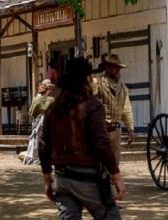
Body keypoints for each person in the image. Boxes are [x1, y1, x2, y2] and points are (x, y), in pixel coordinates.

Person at [38, 57, 125, 219]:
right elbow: (101, 144)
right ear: (87, 79)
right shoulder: (92, 106)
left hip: (62, 179)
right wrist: (117, 175)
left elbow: (43, 144)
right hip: (88, 178)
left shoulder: (53, 109)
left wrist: (47, 178)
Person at [93, 54, 134, 163]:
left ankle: (112, 180)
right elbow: (87, 103)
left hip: (116, 131)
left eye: (119, 68)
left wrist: (130, 129)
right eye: (115, 67)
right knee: (100, 163)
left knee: (114, 164)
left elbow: (126, 109)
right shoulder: (97, 83)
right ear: (107, 68)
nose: (118, 71)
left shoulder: (123, 88)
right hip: (101, 130)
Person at [24, 79, 55, 165]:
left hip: (39, 121)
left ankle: (36, 158)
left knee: (36, 140)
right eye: (49, 87)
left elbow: (31, 113)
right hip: (47, 122)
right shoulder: (51, 99)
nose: (50, 89)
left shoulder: (37, 99)